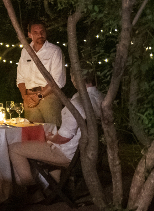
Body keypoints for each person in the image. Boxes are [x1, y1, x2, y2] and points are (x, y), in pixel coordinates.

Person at [8, 70, 102, 200]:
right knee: (44, 141)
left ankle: (32, 190)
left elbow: (64, 137)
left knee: (15, 148)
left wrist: (51, 137)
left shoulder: (75, 104)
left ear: (74, 79)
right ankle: (55, 187)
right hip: (89, 153)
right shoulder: (101, 98)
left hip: (68, 155)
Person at [16, 21, 66, 127]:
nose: (40, 35)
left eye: (42, 31)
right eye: (35, 32)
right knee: (33, 133)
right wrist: (24, 96)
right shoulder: (25, 51)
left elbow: (58, 80)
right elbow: (20, 79)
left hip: (49, 97)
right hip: (29, 97)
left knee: (52, 131)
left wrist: (39, 96)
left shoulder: (54, 51)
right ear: (30, 35)